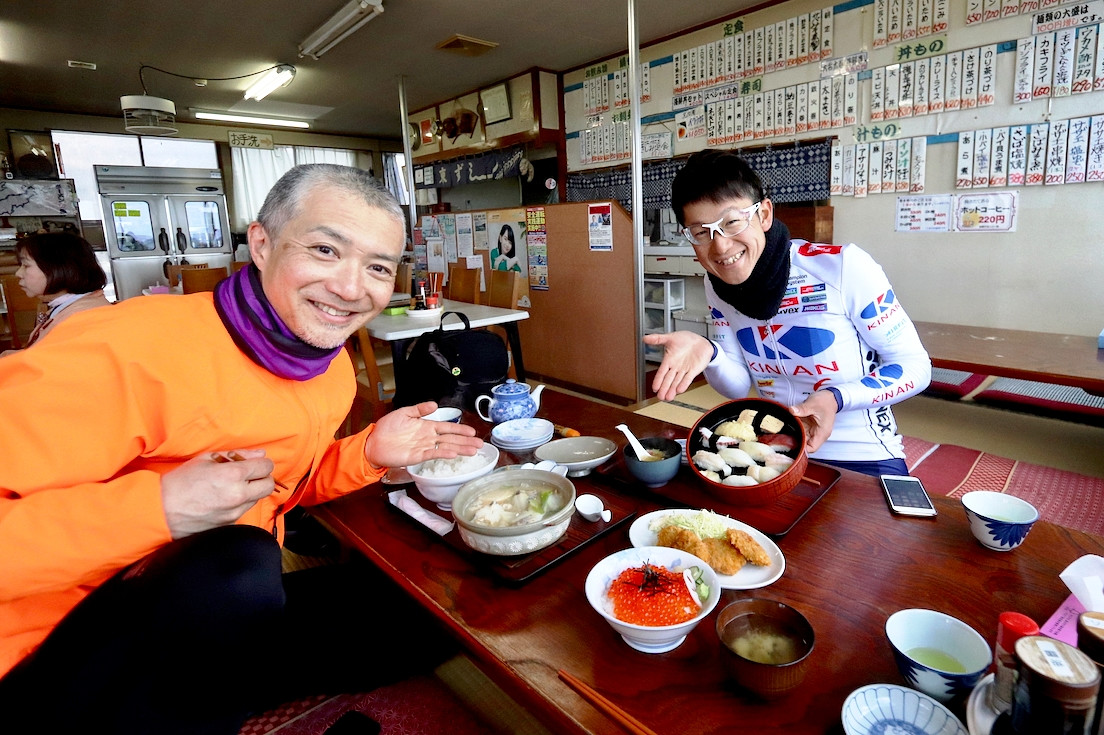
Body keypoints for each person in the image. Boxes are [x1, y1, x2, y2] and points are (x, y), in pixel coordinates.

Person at [0, 163, 483, 733]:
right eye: (326, 250)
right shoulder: (121, 347)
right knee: (236, 566)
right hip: (45, 652)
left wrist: (370, 454)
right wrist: (158, 509)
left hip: (210, 620)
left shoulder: (328, 372)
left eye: (378, 267)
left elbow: (276, 489)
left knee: (423, 618)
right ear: (261, 243)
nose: (353, 289)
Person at [645, 149, 931, 477]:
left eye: (732, 222)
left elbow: (915, 367)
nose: (720, 247)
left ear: (764, 214)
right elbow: (738, 388)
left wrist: (837, 398)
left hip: (863, 452)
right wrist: (712, 354)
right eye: (700, 232)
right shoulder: (717, 285)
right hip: (775, 448)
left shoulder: (842, 267)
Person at [0, 231, 111, 356]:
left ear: (59, 269)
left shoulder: (81, 319)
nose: (18, 274)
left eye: (26, 265)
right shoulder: (73, 306)